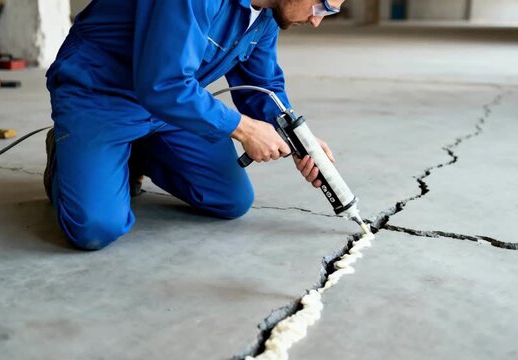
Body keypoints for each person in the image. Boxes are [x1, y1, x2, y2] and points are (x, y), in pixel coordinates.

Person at [44, 0, 345, 250]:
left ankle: (135, 152)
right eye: (322, 6)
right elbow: (165, 84)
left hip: (172, 109)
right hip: (101, 96)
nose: (317, 20)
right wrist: (245, 129)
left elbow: (263, 84)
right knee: (95, 229)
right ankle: (65, 152)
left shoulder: (265, 14)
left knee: (232, 200)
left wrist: (299, 141)